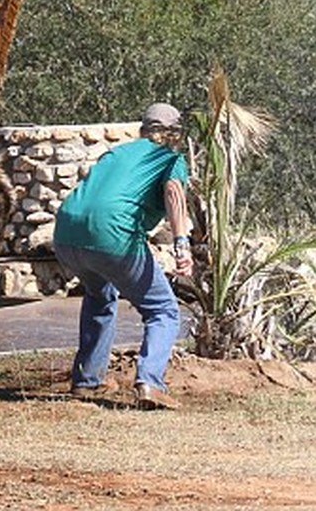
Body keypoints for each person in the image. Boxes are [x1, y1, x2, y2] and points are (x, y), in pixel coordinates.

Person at [53, 102, 193, 410]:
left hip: (66, 234)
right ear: (174, 134)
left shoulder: (116, 153)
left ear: (143, 130)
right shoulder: (169, 158)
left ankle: (87, 381)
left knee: (99, 295)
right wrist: (182, 243)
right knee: (163, 310)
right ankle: (150, 383)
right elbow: (173, 192)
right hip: (112, 235)